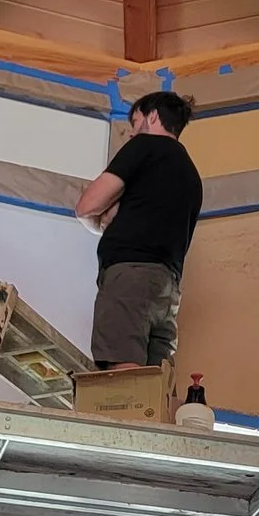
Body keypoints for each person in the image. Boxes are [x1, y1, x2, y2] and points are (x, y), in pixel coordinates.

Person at [74, 91, 202, 370]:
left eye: (135, 121)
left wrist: (102, 223)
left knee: (123, 375)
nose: (131, 133)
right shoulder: (190, 174)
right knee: (153, 385)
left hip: (130, 275)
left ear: (152, 115)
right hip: (167, 288)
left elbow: (86, 206)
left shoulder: (145, 146)